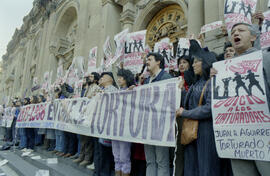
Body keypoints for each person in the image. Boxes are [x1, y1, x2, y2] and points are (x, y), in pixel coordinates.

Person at [211, 22, 270, 176]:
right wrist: (215, 81)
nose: (236, 33)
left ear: (253, 37)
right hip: (237, 138)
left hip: (264, 135)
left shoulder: (265, 58)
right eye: (233, 31)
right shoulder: (222, 68)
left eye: (241, 30)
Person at [176, 40, 223, 176]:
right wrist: (180, 91)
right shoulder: (196, 83)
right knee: (191, 167)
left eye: (197, 61)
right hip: (191, 132)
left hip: (206, 131)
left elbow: (209, 108)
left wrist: (186, 113)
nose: (194, 64)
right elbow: (189, 102)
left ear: (206, 62)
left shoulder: (213, 82)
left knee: (206, 168)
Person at [143, 52, 172, 176]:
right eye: (146, 60)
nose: (147, 62)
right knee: (150, 161)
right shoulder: (146, 81)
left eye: (149, 59)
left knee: (161, 161)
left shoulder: (166, 77)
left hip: (161, 125)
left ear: (158, 62)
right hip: (147, 125)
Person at [73, 72, 101, 168]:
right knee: (82, 138)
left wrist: (92, 97)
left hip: (90, 116)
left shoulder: (97, 88)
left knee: (88, 139)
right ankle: (81, 155)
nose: (89, 78)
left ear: (96, 79)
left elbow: (97, 98)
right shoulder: (87, 88)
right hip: (83, 115)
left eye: (92, 76)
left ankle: (87, 158)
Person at [94, 72, 118, 176]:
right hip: (99, 125)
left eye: (103, 77)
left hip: (106, 126)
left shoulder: (112, 90)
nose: (101, 79)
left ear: (110, 79)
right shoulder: (102, 90)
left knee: (104, 155)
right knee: (99, 153)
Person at [112, 69, 135, 176]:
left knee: (124, 156)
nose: (119, 79)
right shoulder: (116, 92)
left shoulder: (132, 90)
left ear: (127, 78)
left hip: (125, 128)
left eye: (122, 77)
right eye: (119, 77)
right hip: (115, 127)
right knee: (116, 156)